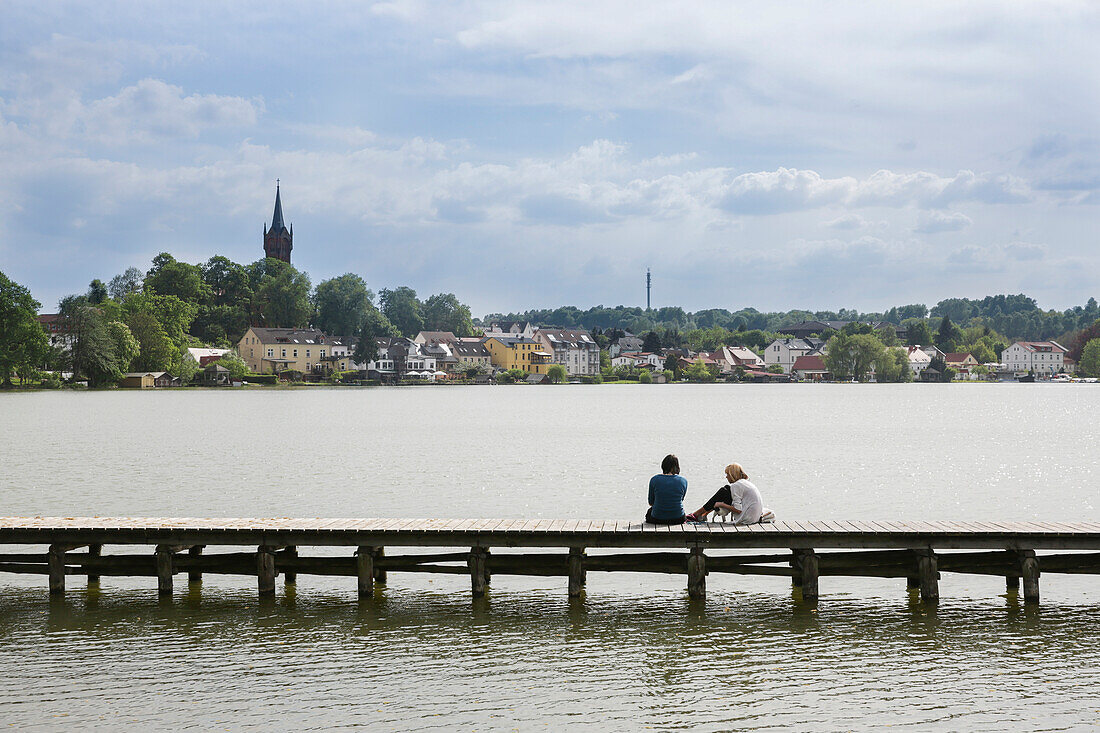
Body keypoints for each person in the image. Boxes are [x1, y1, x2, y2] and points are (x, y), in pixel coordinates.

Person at [687, 463, 764, 524]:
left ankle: (697, 514)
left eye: (727, 474)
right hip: (754, 517)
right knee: (725, 490)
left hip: (747, 518)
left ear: (732, 475)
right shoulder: (744, 483)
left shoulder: (736, 485)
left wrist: (721, 504)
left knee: (723, 491)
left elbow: (738, 510)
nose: (726, 477)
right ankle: (702, 514)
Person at [645, 454, 687, 525]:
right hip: (678, 518)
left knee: (649, 512)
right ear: (677, 467)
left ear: (663, 466)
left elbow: (651, 503)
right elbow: (681, 499)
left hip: (657, 518)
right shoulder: (683, 481)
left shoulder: (654, 479)